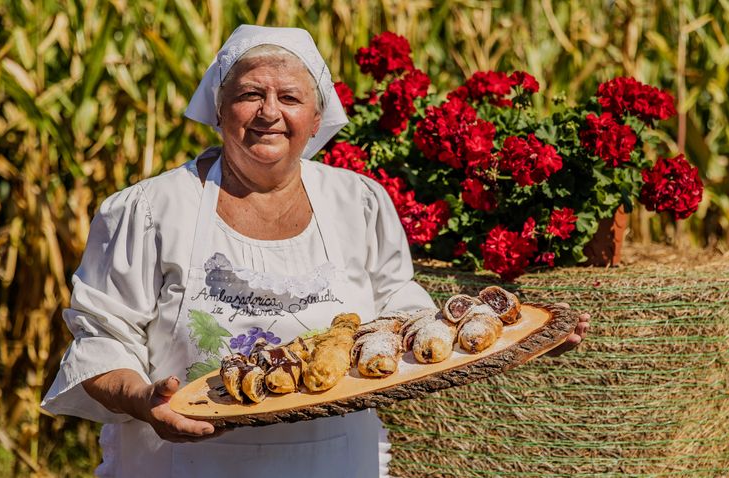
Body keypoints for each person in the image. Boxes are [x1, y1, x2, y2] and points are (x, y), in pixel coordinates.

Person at [42, 24, 589, 477]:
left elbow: (404, 317)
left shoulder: (359, 202)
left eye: (289, 97)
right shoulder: (149, 210)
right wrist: (143, 400)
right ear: (218, 107)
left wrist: (524, 341)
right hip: (182, 463)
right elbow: (101, 337)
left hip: (335, 461)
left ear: (315, 118)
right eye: (251, 94)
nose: (268, 112)